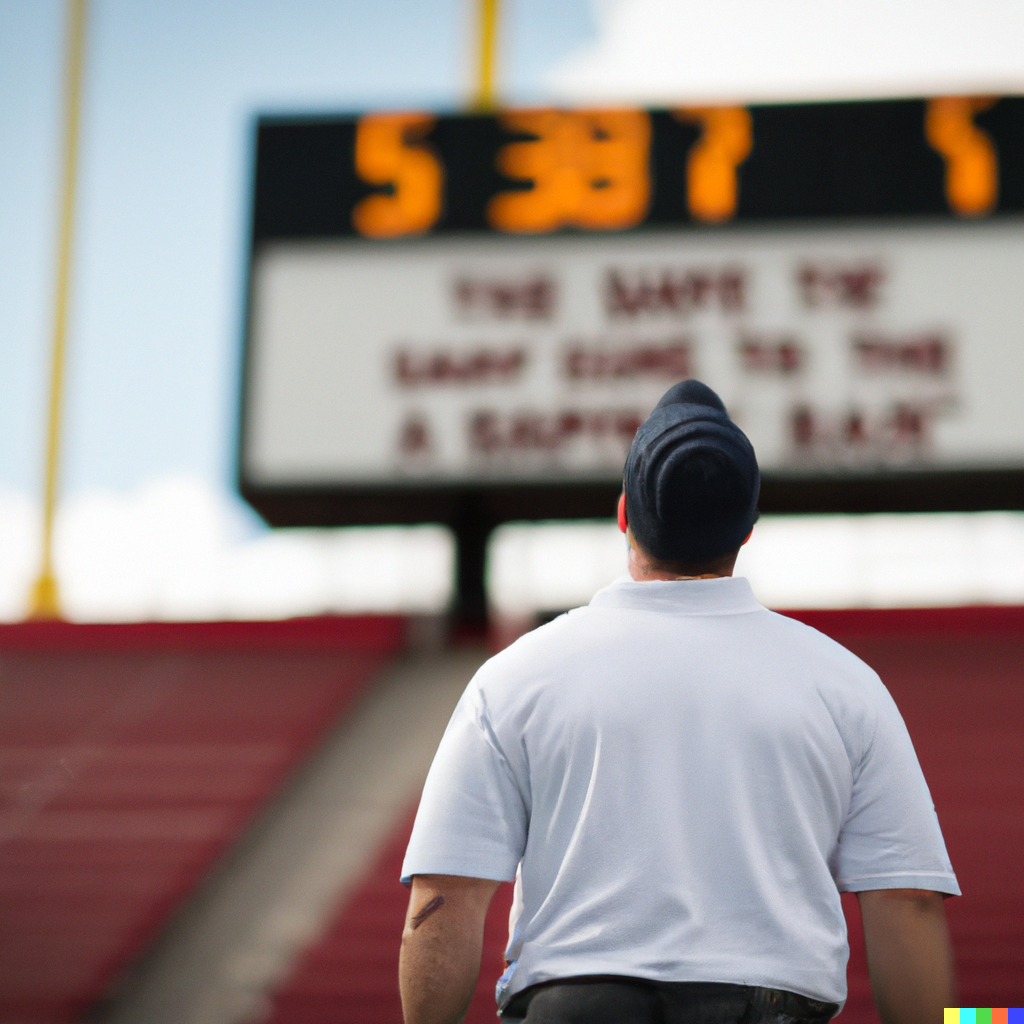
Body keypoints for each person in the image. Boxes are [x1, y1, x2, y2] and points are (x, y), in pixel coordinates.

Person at [398, 380, 959, 1024]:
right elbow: (908, 902)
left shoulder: (515, 677)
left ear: (623, 515)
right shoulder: (845, 683)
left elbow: (441, 902)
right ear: (747, 528)